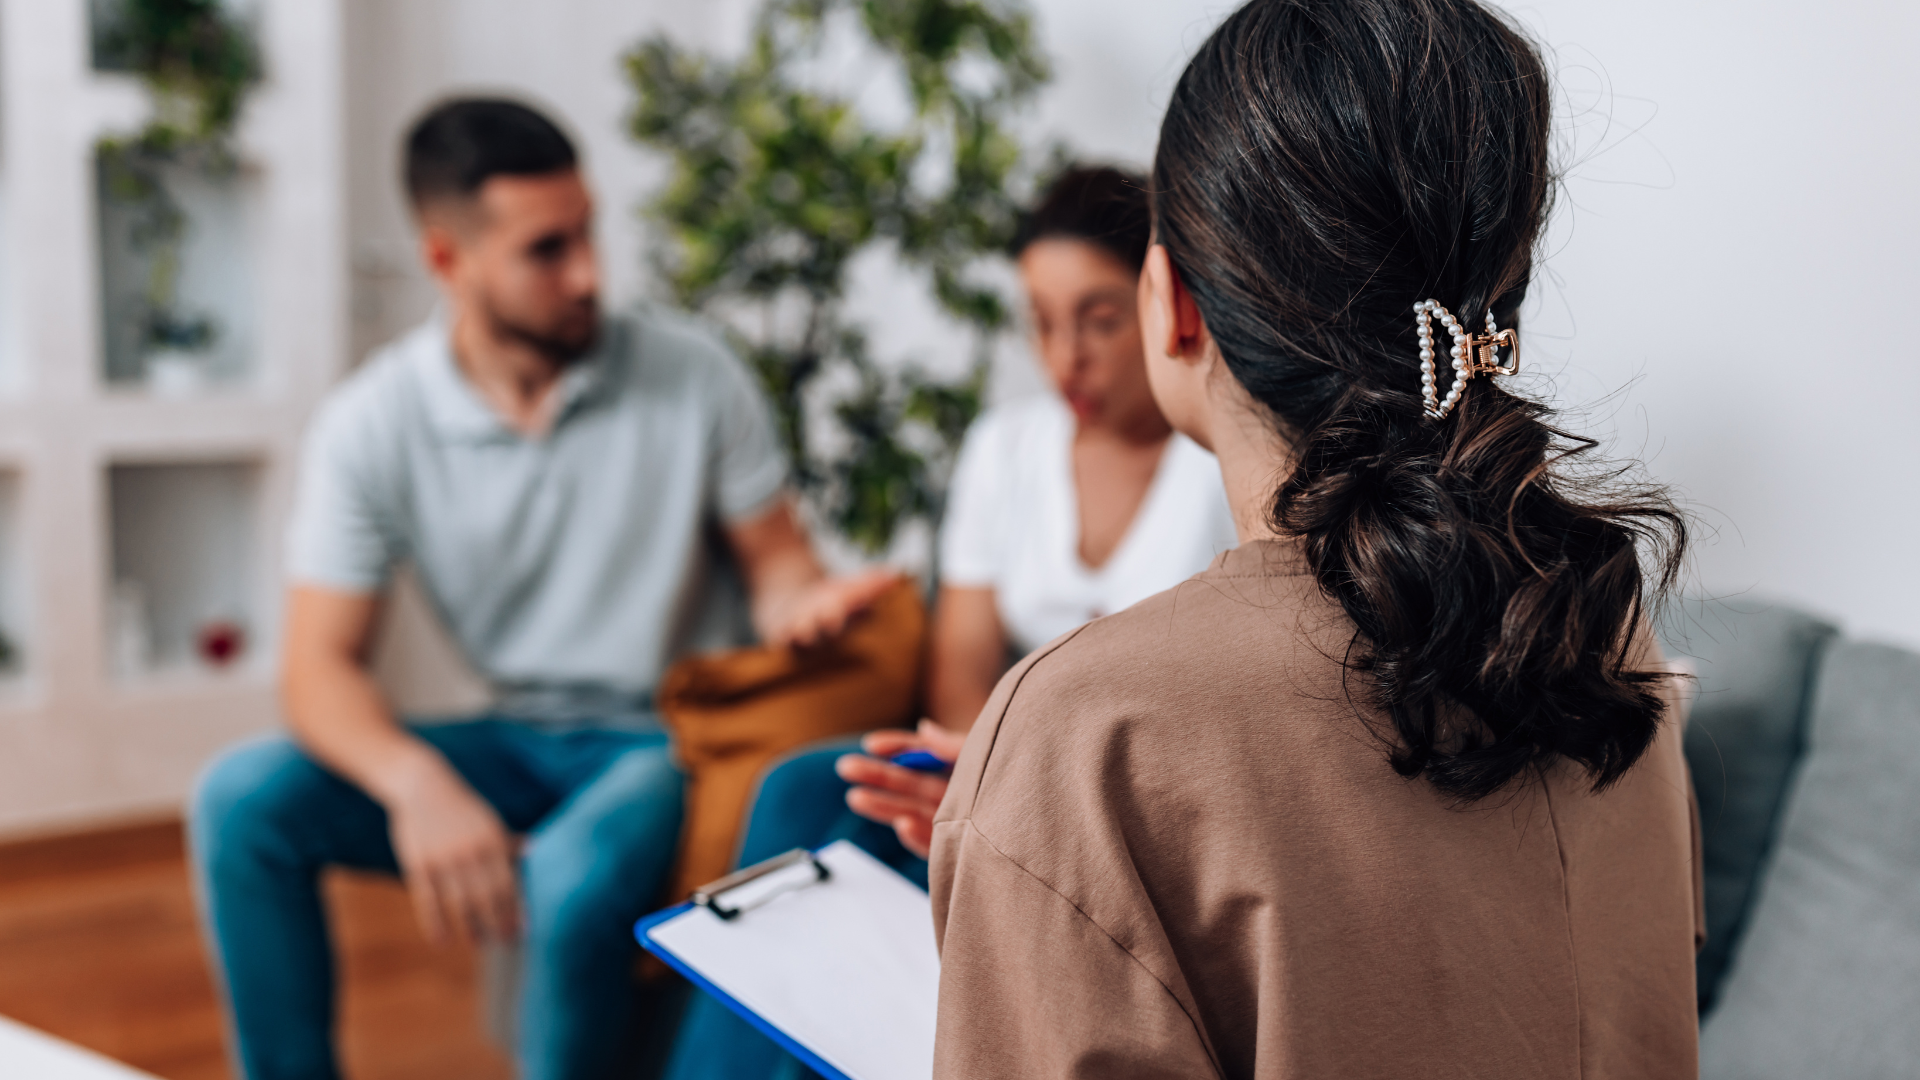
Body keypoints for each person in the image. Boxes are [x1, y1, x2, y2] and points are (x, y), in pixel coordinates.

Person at [852, 1, 1705, 1077]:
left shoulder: (1088, 736)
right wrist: (1042, 869)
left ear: (1174, 306)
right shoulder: (1601, 639)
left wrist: (1036, 837)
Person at [187, 98, 891, 1080]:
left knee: (574, 871)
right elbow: (318, 669)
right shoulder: (372, 425)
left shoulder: (695, 375)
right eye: (546, 250)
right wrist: (416, 785)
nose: (589, 275)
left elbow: (777, 563)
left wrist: (801, 603)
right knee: (240, 801)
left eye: (588, 232)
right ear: (448, 261)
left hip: (670, 738)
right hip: (516, 736)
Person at [660, 166, 1238, 1080]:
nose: (1066, 358)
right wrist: (980, 776)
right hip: (998, 753)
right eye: (1041, 323)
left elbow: (1208, 709)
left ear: (1167, 303)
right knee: (816, 788)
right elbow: (960, 664)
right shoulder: (1006, 449)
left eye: (1096, 318)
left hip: (1119, 787)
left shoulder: (1217, 463)